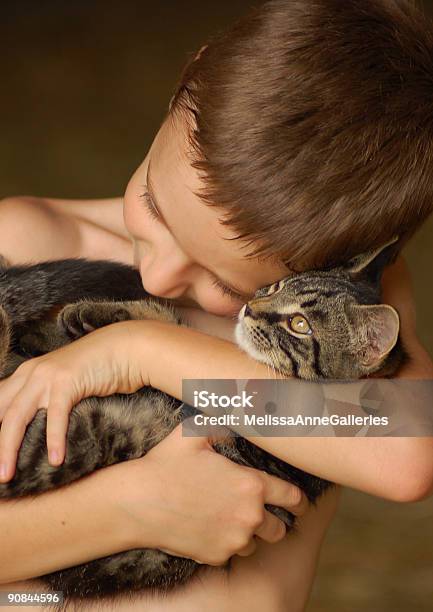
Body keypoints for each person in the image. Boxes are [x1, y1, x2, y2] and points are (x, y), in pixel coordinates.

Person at [1, 1, 433, 610]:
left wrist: (142, 349)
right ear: (189, 78)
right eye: (153, 205)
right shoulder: (24, 243)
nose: (158, 273)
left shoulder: (336, 309)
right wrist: (126, 511)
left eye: (229, 286)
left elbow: (404, 454)